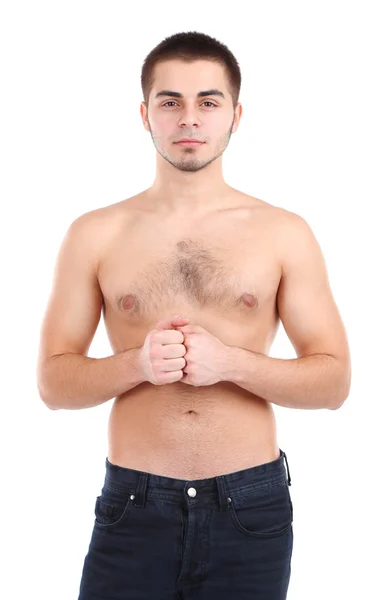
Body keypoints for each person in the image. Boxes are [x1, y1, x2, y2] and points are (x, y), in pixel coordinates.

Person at [36, 31, 351, 600]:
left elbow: (333, 382)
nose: (189, 119)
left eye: (208, 102)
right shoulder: (95, 234)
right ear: (144, 114)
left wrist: (229, 362)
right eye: (170, 102)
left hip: (250, 509)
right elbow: (55, 383)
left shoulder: (284, 233)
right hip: (134, 508)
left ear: (235, 115)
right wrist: (138, 364)